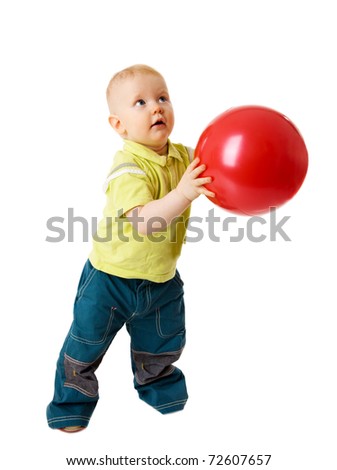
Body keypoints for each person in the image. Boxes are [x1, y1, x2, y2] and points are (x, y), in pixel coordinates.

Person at [46, 64, 214, 432]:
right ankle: (71, 404)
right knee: (86, 343)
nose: (156, 107)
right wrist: (185, 192)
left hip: (160, 278)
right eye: (141, 102)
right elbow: (147, 222)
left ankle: (158, 386)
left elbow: (217, 170)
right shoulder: (127, 167)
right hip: (110, 279)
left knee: (164, 340)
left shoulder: (183, 157)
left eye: (163, 98)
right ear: (118, 125)